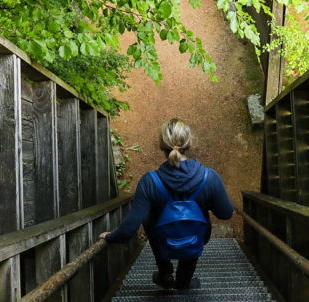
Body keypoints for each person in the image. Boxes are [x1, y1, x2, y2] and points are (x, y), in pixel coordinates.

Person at [99, 118, 234, 290]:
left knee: (149, 215)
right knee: (193, 221)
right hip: (196, 238)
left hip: (162, 241)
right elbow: (225, 213)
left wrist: (111, 236)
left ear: (162, 145)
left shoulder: (149, 181)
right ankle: (183, 281)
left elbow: (130, 228)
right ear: (190, 142)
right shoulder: (210, 177)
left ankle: (165, 272)